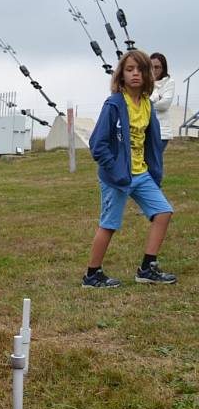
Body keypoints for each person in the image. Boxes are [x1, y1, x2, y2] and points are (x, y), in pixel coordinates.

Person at [83, 50, 177, 288]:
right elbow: (97, 144)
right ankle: (92, 275)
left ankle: (147, 268)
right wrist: (115, 170)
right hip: (117, 176)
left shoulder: (146, 104)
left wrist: (154, 171)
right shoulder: (114, 104)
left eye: (141, 70)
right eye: (130, 69)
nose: (136, 74)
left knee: (163, 213)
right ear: (121, 75)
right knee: (110, 224)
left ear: (148, 75)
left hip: (141, 173)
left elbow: (152, 142)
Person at [150, 52, 175, 150]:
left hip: (162, 131)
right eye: (151, 67)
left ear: (163, 68)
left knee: (156, 161)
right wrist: (157, 97)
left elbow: (164, 105)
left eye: (157, 67)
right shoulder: (144, 82)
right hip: (146, 129)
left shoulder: (169, 82)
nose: (154, 70)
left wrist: (147, 103)